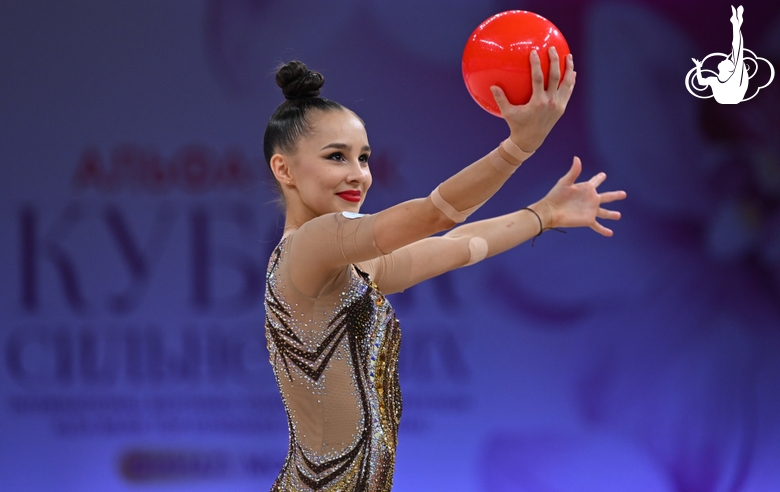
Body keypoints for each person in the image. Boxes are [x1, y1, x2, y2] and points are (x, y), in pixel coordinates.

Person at [263, 52, 625, 491]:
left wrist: (542, 213)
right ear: (284, 169)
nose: (358, 174)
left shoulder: (342, 268)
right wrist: (518, 147)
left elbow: (455, 247)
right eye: (337, 157)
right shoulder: (309, 245)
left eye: (364, 157)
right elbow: (435, 216)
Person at [692, 5, 748, 104]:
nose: (725, 59)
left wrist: (736, 25)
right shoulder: (717, 81)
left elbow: (737, 48)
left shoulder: (730, 80)